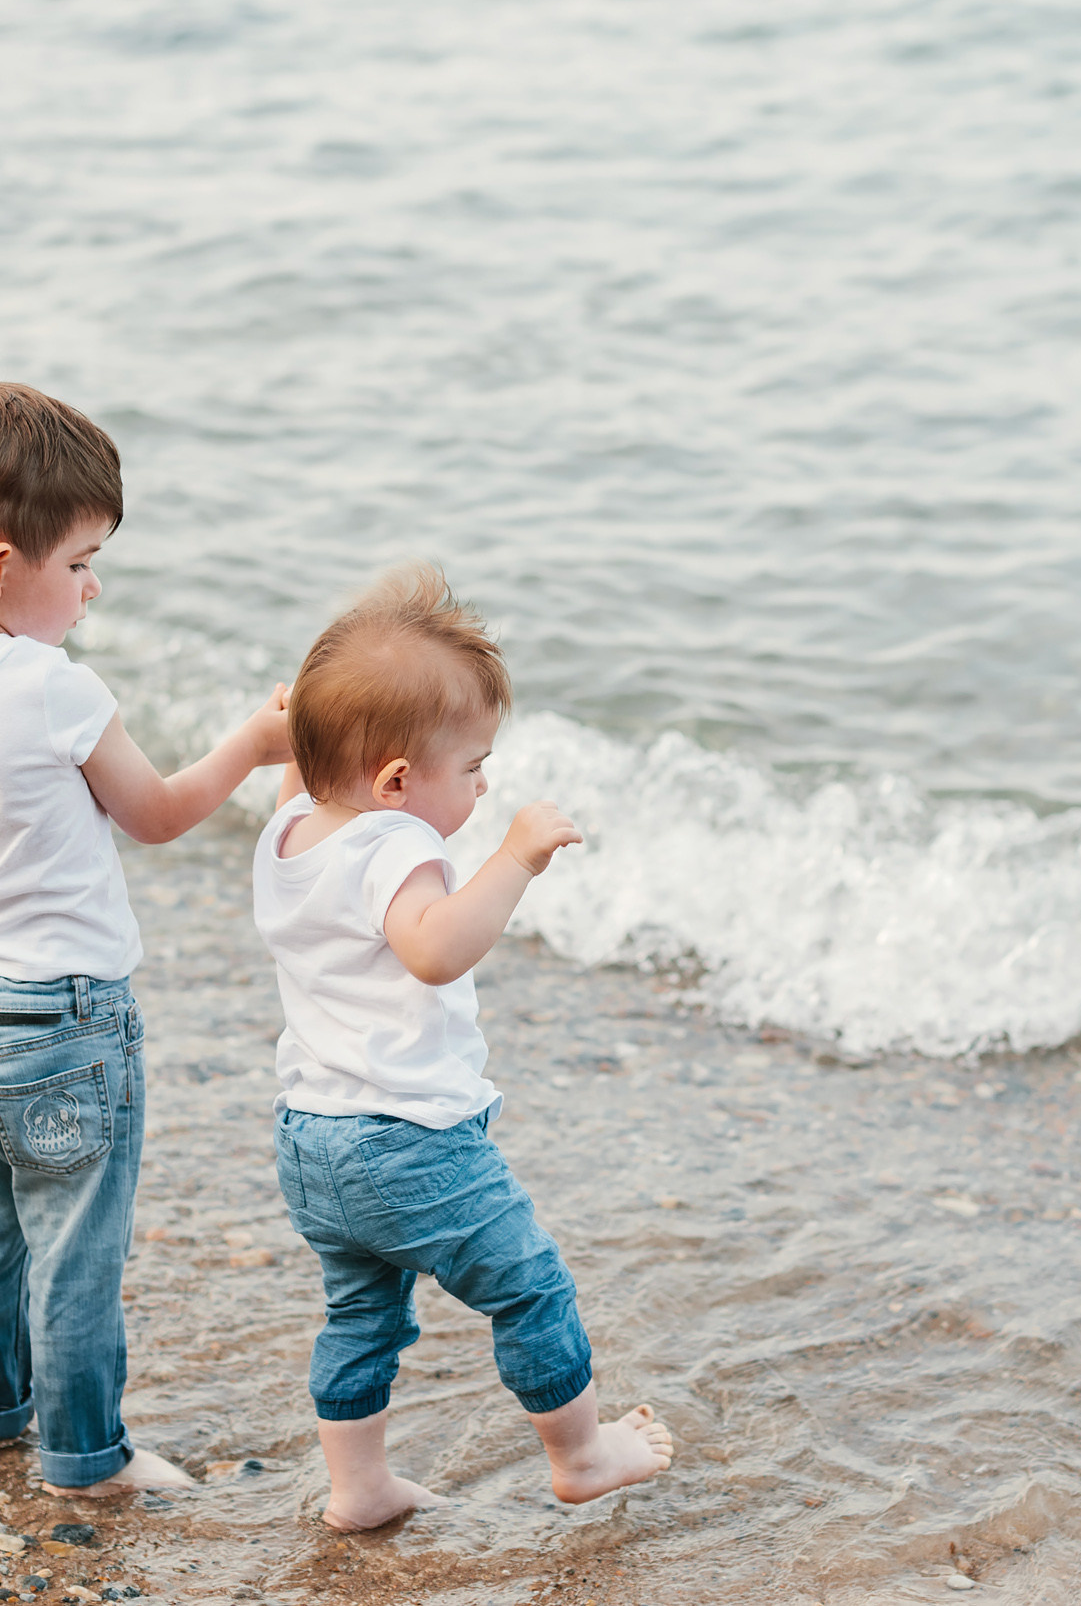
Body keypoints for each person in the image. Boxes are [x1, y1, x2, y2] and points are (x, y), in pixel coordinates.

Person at [0, 382, 289, 1498]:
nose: (91, 587)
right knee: (75, 1256)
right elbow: (161, 814)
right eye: (78, 563)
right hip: (64, 1026)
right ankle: (86, 1458)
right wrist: (255, 742)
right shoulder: (48, 686)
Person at [254, 563, 674, 1531]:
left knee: (361, 1320)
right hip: (410, 1145)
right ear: (398, 783)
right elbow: (433, 947)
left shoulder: (284, 834)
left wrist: (302, 729)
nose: (484, 784)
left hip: (311, 1145)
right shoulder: (401, 845)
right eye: (474, 767)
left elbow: (303, 779)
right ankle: (580, 1452)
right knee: (529, 1285)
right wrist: (514, 856)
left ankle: (358, 1489)